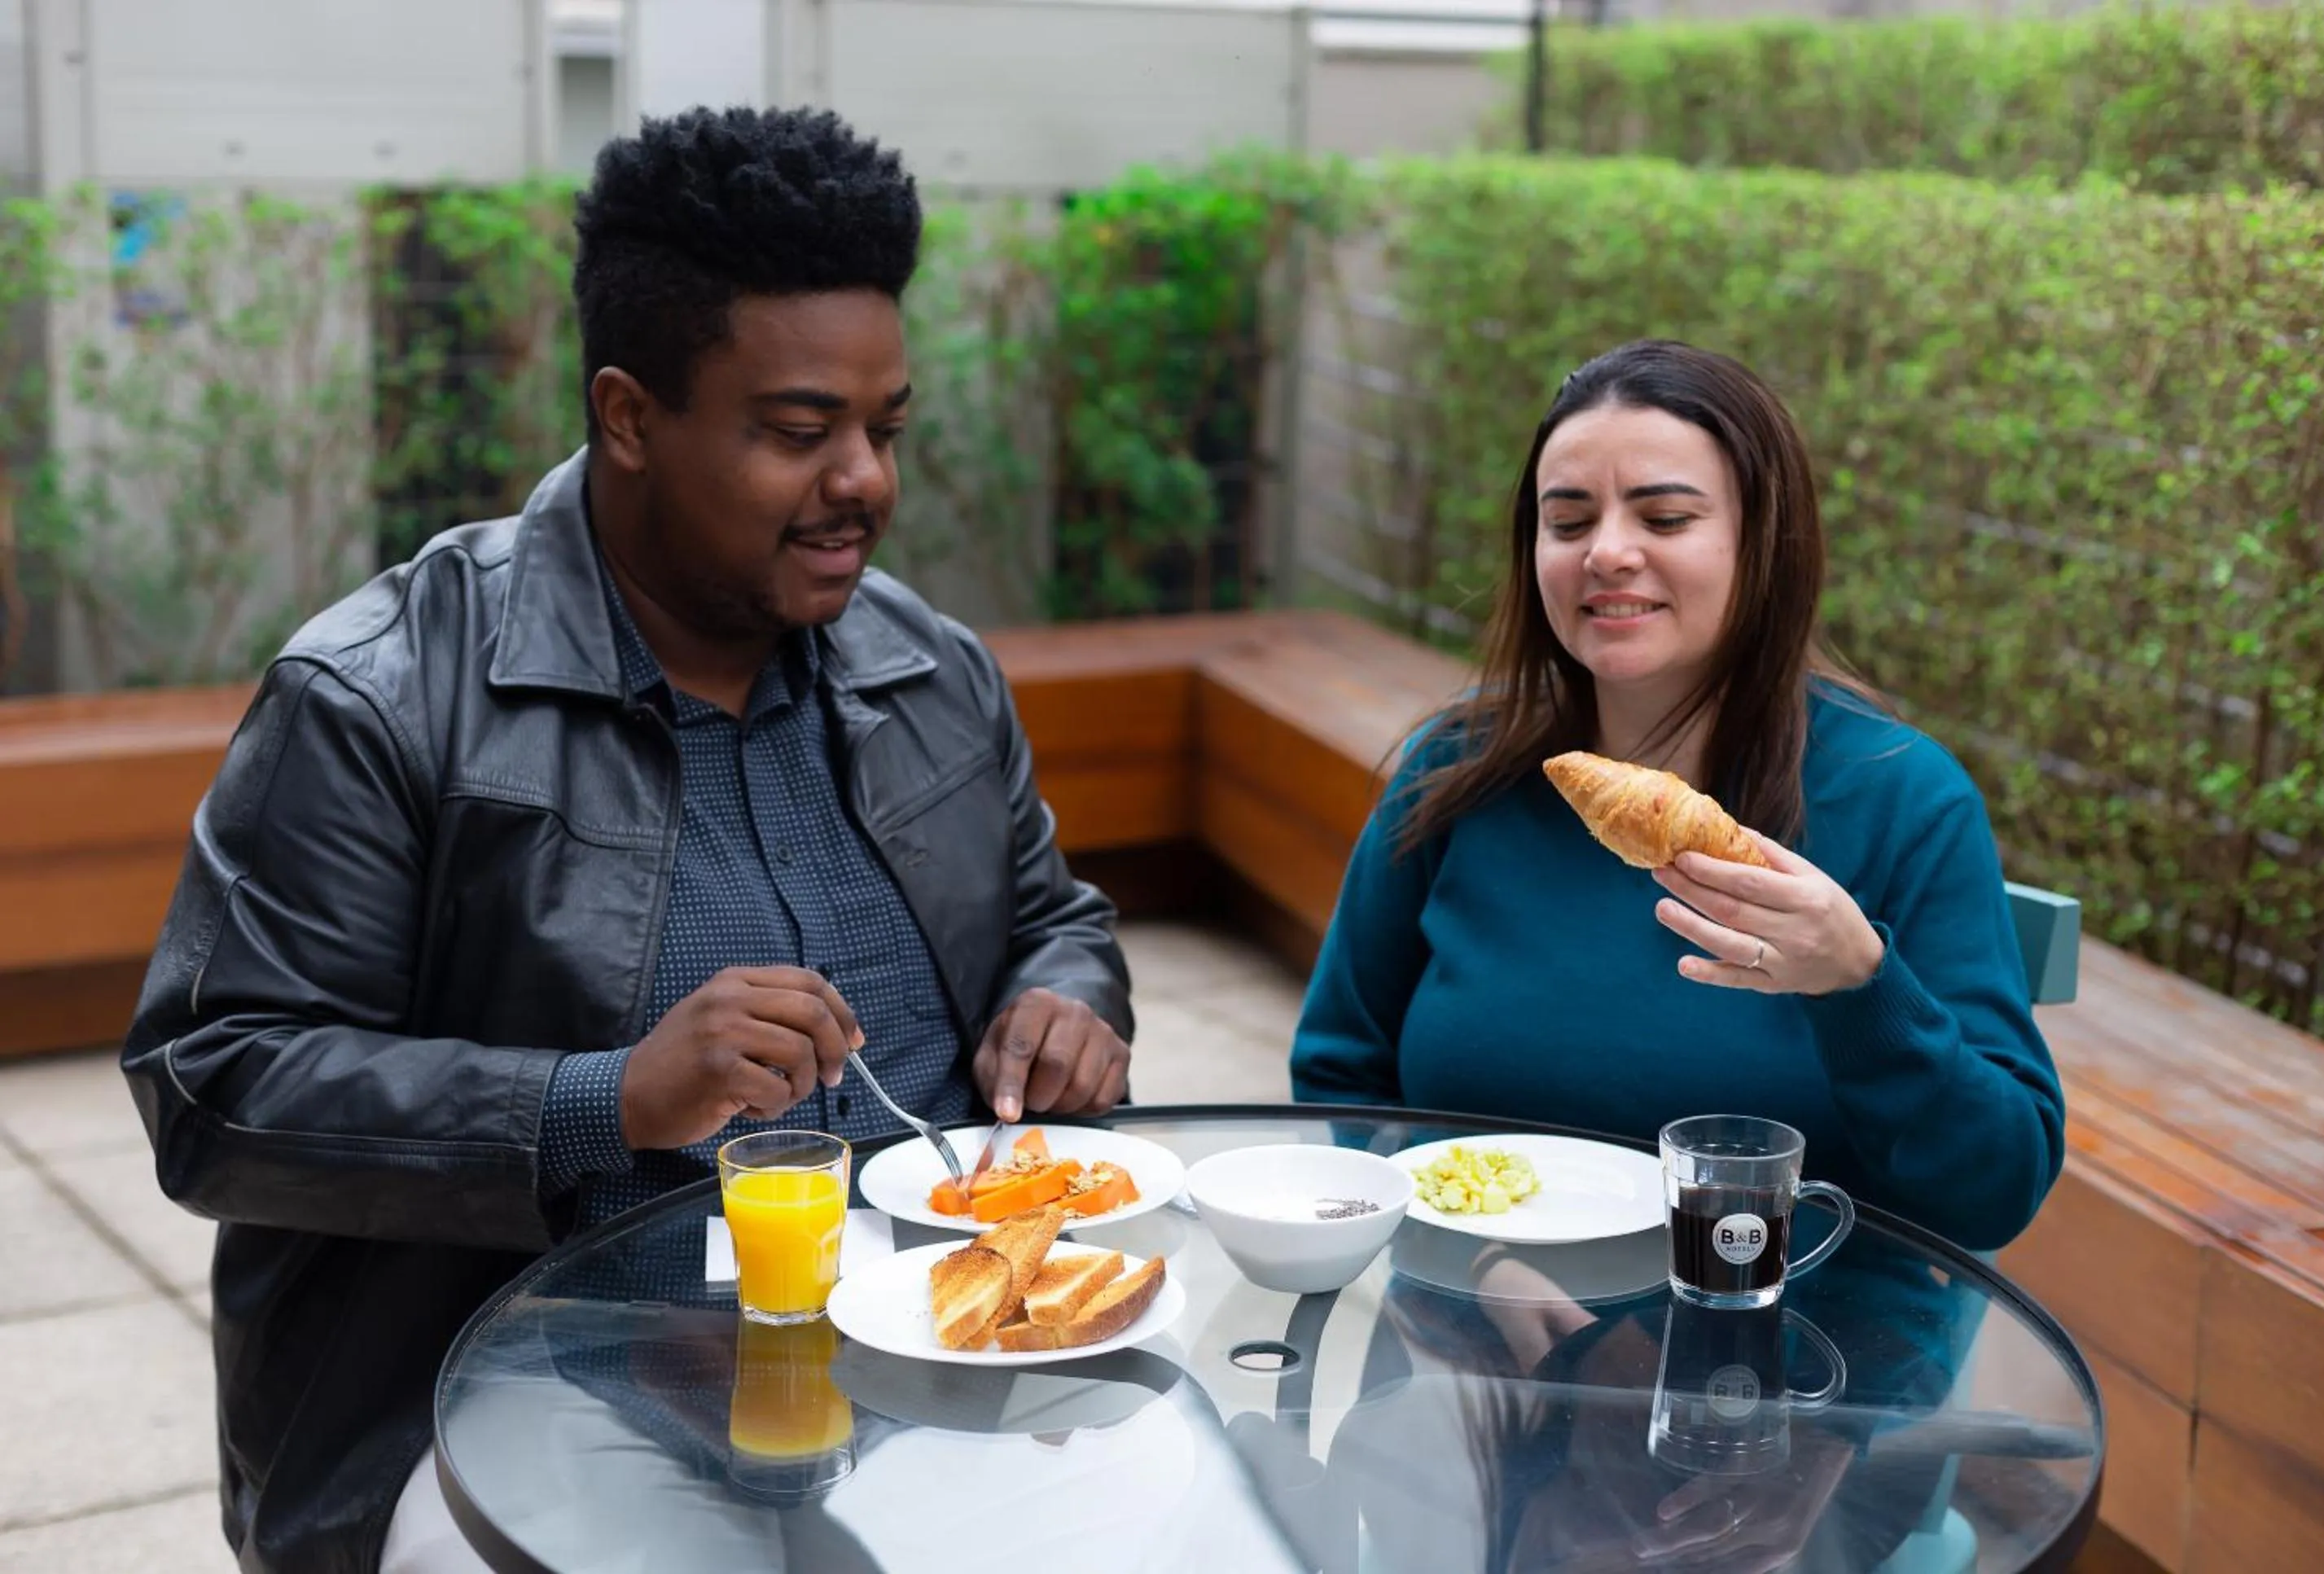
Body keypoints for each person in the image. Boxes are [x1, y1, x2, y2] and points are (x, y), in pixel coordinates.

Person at [119, 106, 1133, 1574]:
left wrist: (1070, 998)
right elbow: (212, 1087)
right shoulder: (383, 696)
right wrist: (607, 1098)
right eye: (800, 431)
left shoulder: (930, 666)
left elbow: (1052, 911)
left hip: (939, 1352)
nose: (866, 481)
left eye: (884, 426)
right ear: (630, 416)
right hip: (534, 1398)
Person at [1290, 340, 2064, 1252]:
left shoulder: (1900, 801)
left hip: (1793, 1355)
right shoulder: (1456, 769)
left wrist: (1859, 985)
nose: (1607, 552)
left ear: (1762, 543)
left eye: (1663, 518)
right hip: (1467, 1347)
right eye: (1568, 523)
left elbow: (1994, 1192)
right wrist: (1467, 1261)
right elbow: (1342, 1070)